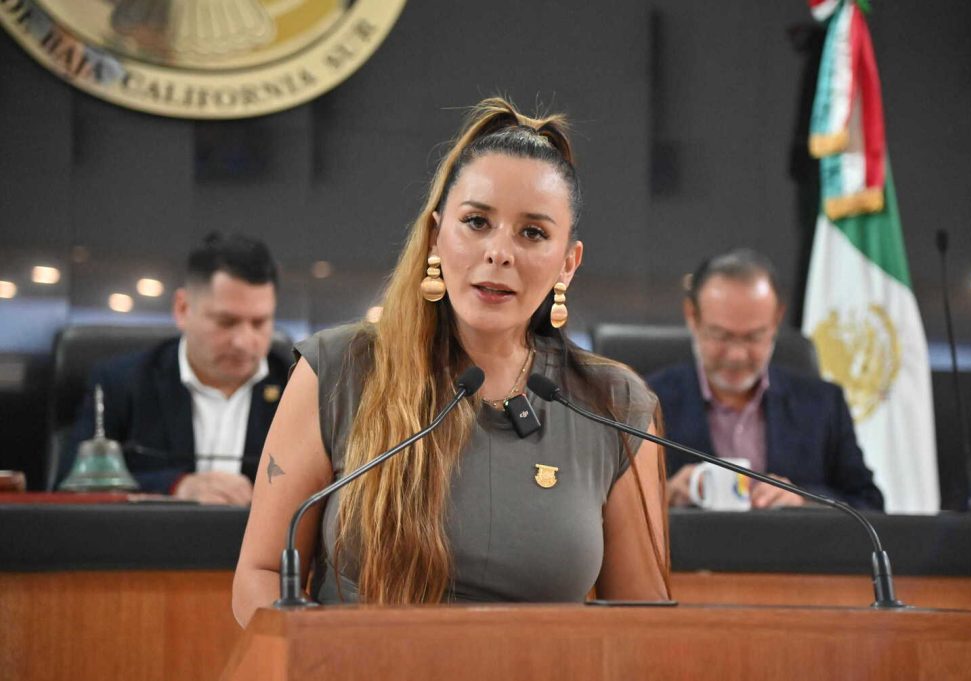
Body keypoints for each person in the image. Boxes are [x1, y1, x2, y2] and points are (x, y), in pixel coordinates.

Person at [232, 98, 670, 624]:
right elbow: (260, 575)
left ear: (567, 264)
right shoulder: (338, 368)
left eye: (532, 232)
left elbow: (644, 624)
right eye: (477, 222)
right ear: (436, 235)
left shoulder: (614, 404)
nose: (499, 252)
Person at [646, 249, 884, 511]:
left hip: (793, 539)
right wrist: (663, 497)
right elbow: (613, 508)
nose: (737, 355)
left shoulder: (823, 404)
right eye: (721, 335)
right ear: (692, 316)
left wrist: (804, 500)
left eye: (753, 337)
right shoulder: (646, 403)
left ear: (776, 320)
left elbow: (870, 507)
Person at [61, 232, 288, 505]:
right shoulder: (121, 383)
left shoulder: (299, 389)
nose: (243, 341)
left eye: (259, 323)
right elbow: (68, 488)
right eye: (226, 322)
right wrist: (176, 486)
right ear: (182, 309)